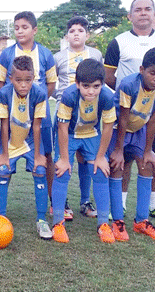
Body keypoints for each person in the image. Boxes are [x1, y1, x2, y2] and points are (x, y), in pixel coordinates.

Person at [104, 0, 155, 223]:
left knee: (154, 159)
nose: (143, 13)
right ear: (130, 15)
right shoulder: (118, 41)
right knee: (123, 160)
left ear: (154, 14)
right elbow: (109, 76)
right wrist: (132, 97)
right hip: (127, 110)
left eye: (148, 9)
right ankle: (121, 205)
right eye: (138, 9)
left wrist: (151, 95)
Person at [0, 11, 59, 219]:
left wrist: (33, 103)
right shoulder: (7, 54)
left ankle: (52, 201)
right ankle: (0, 208)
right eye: (16, 27)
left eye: (24, 27)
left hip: (39, 114)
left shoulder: (45, 53)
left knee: (44, 158)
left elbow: (51, 84)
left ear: (34, 30)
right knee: (5, 164)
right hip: (13, 114)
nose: (20, 31)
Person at [107, 47, 155, 242]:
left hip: (139, 130)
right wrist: (119, 150)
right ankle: (117, 221)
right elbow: (124, 118)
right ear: (142, 69)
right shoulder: (128, 85)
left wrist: (148, 150)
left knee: (147, 165)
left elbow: (154, 119)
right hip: (118, 128)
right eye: (152, 73)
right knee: (117, 166)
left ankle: (141, 221)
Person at [51, 59, 115, 243]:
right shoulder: (69, 95)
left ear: (102, 84)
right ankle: (58, 223)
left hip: (91, 133)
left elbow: (108, 126)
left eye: (96, 86)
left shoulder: (106, 97)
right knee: (61, 172)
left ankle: (103, 224)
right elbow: (62, 127)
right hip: (69, 134)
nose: (91, 91)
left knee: (102, 172)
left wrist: (101, 156)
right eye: (85, 86)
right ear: (77, 83)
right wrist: (64, 158)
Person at [0, 56, 51, 240]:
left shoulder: (40, 94)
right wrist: (3, 153)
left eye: (28, 80)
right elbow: (3, 125)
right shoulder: (4, 93)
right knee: (3, 170)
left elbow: (37, 126)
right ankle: (0, 217)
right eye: (18, 80)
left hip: (31, 141)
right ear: (11, 79)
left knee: (40, 169)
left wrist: (38, 155)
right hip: (10, 140)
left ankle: (41, 220)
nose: (23, 85)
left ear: (34, 78)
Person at [54, 16, 104, 220]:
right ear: (67, 36)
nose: (76, 34)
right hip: (65, 113)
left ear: (87, 34)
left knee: (87, 159)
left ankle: (85, 201)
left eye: (80, 30)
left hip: (90, 113)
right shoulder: (57, 57)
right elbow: (51, 81)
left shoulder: (96, 54)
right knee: (64, 156)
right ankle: (62, 204)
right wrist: (60, 97)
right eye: (72, 30)